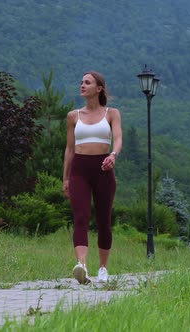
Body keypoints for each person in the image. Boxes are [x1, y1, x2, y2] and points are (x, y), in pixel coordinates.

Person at [62, 71, 122, 284]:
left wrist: (113, 155)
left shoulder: (112, 113)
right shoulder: (73, 116)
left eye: (87, 82)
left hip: (103, 170)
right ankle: (82, 266)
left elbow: (118, 139)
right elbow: (69, 150)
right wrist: (66, 178)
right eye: (81, 82)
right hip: (79, 170)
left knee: (104, 220)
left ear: (99, 88)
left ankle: (103, 268)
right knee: (80, 217)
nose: (82, 85)